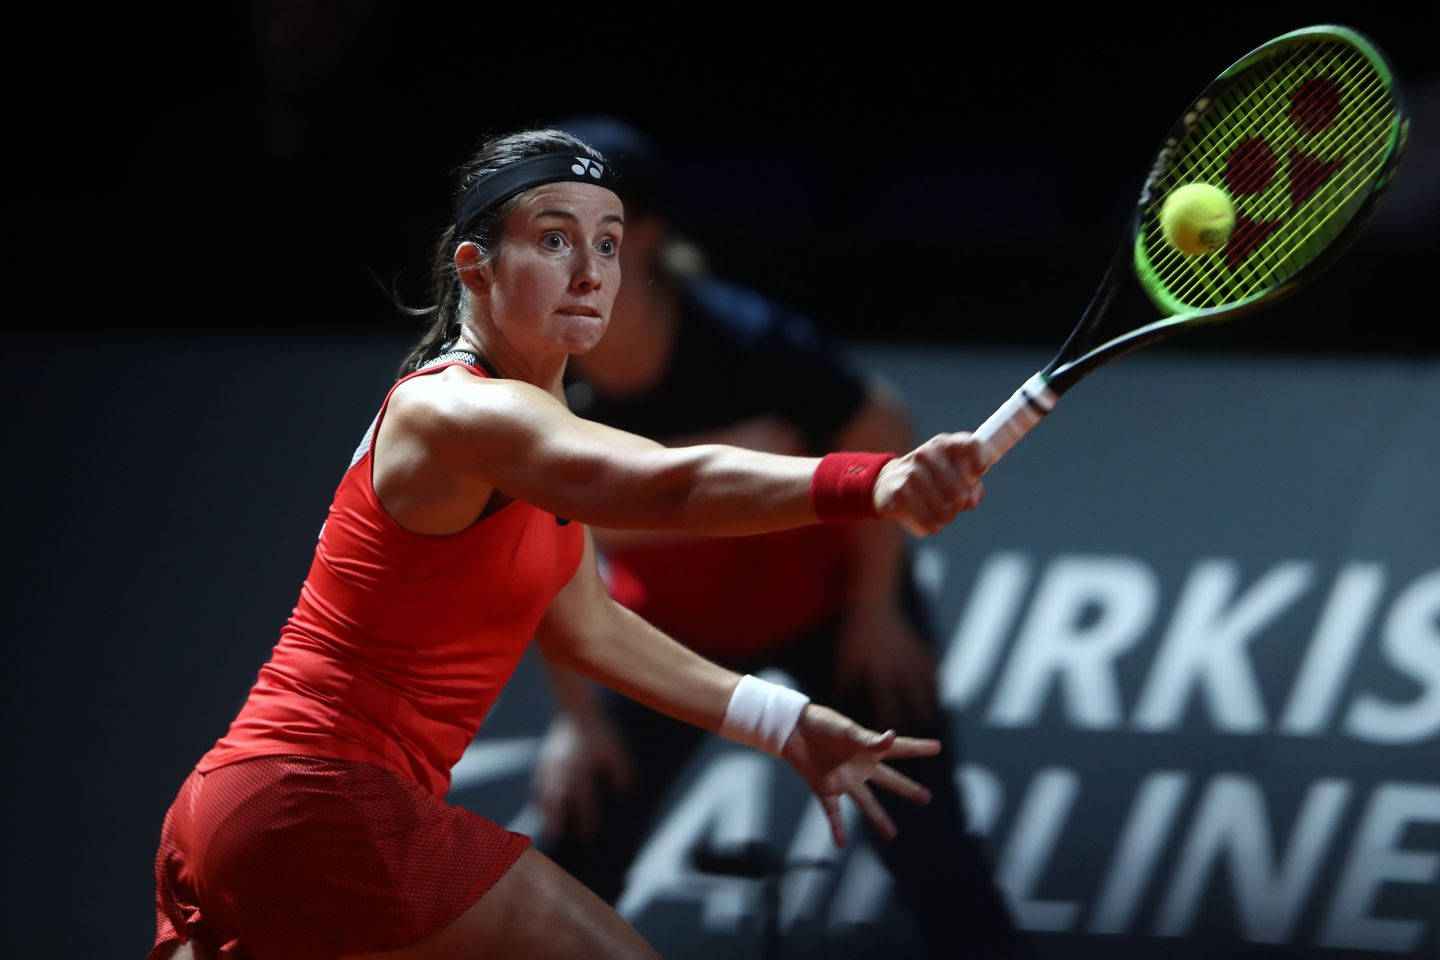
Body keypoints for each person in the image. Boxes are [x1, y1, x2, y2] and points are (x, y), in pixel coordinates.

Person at [149, 128, 990, 960]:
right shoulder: (458, 410)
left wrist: (787, 721)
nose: (591, 271)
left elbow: (589, 626)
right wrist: (868, 485)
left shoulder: (524, 438)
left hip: (244, 809)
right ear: (475, 266)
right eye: (554, 239)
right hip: (321, 800)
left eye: (610, 243)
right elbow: (669, 485)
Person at [530, 118, 1024, 959]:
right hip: (673, 629)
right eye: (539, 234)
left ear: (641, 237)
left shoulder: (747, 342)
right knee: (573, 854)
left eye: (586, 231)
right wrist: (577, 717)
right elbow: (539, 552)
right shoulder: (530, 375)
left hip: (830, 610)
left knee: (935, 861)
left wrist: (876, 609)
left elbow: (880, 423)